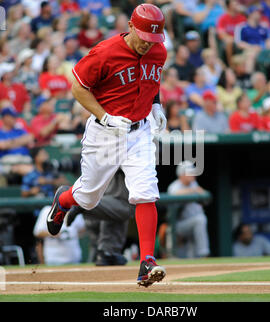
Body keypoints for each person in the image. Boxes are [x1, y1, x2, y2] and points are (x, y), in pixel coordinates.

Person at [46, 4, 167, 287]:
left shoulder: (158, 51)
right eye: (143, 39)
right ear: (130, 27)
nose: (148, 45)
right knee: (88, 197)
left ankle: (146, 261)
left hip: (139, 132)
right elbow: (78, 87)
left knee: (145, 191)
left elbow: (151, 79)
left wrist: (157, 105)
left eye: (154, 40)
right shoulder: (105, 52)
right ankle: (64, 199)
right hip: (105, 133)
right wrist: (104, 116)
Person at [65, 169, 135, 266]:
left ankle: (107, 252)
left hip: (110, 192)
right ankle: (82, 203)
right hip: (116, 192)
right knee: (126, 208)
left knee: (114, 213)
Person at [168, 161, 210, 258]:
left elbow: (206, 197)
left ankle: (199, 260)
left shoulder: (194, 184)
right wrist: (193, 191)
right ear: (182, 175)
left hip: (192, 223)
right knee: (200, 219)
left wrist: (197, 191)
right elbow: (174, 194)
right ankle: (204, 254)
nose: (193, 175)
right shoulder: (174, 186)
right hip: (178, 225)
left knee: (191, 254)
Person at [216, 0, 246, 66]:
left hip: (241, 40)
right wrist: (233, 39)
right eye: (234, 2)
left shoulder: (242, 17)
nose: (237, 4)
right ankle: (231, 66)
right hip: (228, 41)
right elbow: (221, 33)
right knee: (229, 42)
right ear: (229, 5)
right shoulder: (222, 18)